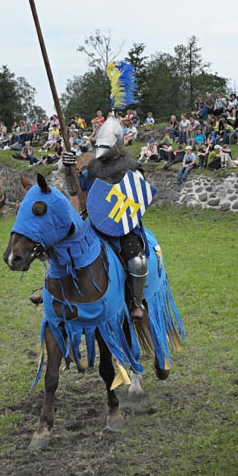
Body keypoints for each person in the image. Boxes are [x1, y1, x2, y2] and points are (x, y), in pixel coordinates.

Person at [61, 115, 149, 321]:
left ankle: (135, 301)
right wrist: (67, 170)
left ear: (117, 144)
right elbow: (75, 189)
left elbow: (139, 197)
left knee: (136, 261)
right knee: (65, 248)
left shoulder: (132, 167)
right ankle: (57, 292)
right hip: (94, 222)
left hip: (122, 225)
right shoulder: (93, 167)